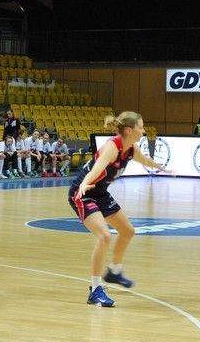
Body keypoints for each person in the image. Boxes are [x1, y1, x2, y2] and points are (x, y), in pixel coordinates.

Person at [69, 111, 174, 307]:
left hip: (99, 193)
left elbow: (146, 161)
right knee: (104, 237)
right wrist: (84, 184)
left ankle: (114, 271)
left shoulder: (131, 149)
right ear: (129, 130)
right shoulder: (112, 148)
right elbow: (96, 169)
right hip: (83, 192)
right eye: (140, 128)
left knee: (128, 231)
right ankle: (94, 289)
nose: (143, 131)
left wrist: (163, 169)